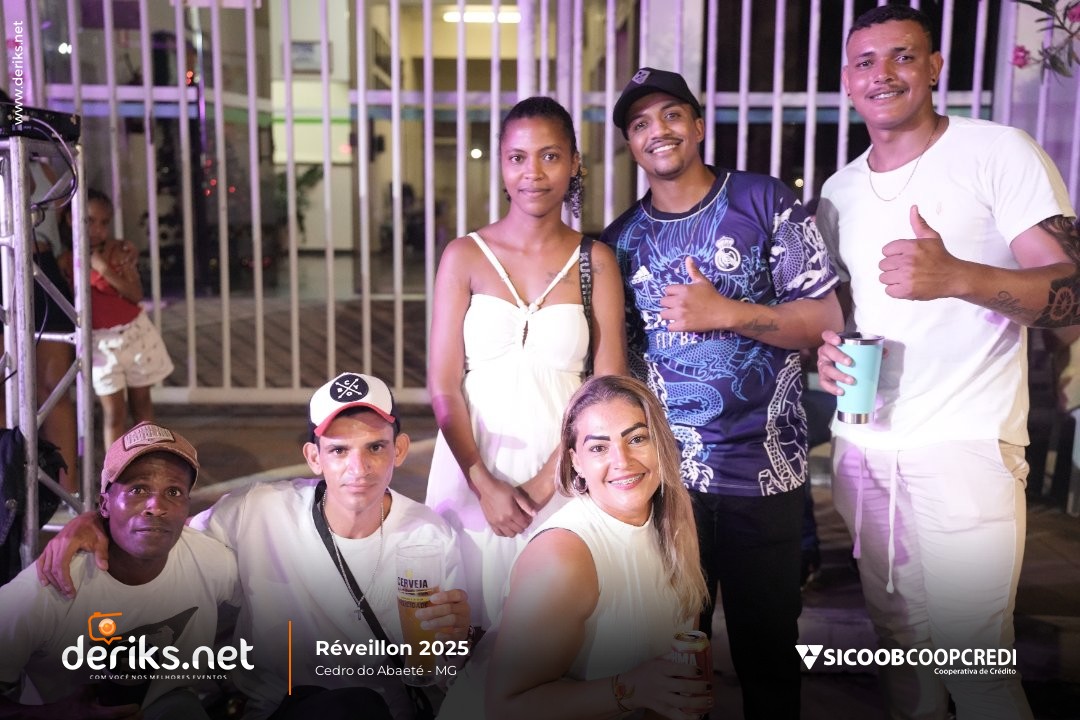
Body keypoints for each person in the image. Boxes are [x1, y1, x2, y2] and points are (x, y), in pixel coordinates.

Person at [815, 6, 1079, 719]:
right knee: (901, 650)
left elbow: (1073, 290)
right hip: (865, 452)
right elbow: (847, 317)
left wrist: (958, 275)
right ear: (847, 81)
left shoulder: (998, 151)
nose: (883, 74)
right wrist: (828, 356)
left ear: (934, 68)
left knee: (974, 663)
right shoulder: (838, 191)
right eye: (866, 62)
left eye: (903, 56)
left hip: (965, 446)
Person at [600, 67, 843, 718]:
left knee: (769, 654)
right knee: (676, 655)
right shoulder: (619, 241)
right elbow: (618, 365)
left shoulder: (764, 201)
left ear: (699, 125)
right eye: (640, 123)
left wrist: (725, 312)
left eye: (671, 114)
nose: (658, 131)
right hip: (667, 483)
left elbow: (825, 320)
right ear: (630, 143)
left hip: (765, 471)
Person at [38, 372, 472, 720]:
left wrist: (456, 643)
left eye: (375, 447)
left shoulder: (430, 536)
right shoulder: (259, 510)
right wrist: (96, 521)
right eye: (339, 451)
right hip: (276, 710)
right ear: (314, 457)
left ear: (399, 450)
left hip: (383, 712)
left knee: (357, 707)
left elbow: (440, 672)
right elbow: (165, 538)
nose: (358, 468)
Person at [426, 96, 627, 629]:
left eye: (549, 156)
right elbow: (443, 384)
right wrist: (481, 482)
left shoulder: (596, 262)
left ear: (574, 162)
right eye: (517, 157)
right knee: (463, 626)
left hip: (565, 470)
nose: (532, 173)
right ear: (501, 163)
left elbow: (609, 388)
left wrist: (548, 480)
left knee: (552, 630)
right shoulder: (464, 255)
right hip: (471, 468)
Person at [440, 374, 711, 720]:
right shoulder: (563, 555)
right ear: (576, 462)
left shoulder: (676, 519)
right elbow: (505, 706)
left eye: (637, 438)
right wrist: (633, 689)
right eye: (599, 448)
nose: (623, 460)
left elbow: (676, 661)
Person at [0, 422, 239, 719]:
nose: (156, 505)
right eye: (138, 489)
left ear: (187, 507)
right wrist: (57, 714)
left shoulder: (210, 560)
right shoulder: (50, 586)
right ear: (104, 504)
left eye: (173, 491)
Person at [82, 189, 174, 451]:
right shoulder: (67, 258)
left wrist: (103, 269)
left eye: (104, 223)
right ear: (71, 218)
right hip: (100, 344)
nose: (97, 230)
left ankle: (147, 460)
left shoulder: (117, 251)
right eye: (90, 221)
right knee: (113, 412)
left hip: (134, 336)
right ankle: (115, 470)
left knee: (142, 404)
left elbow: (135, 294)